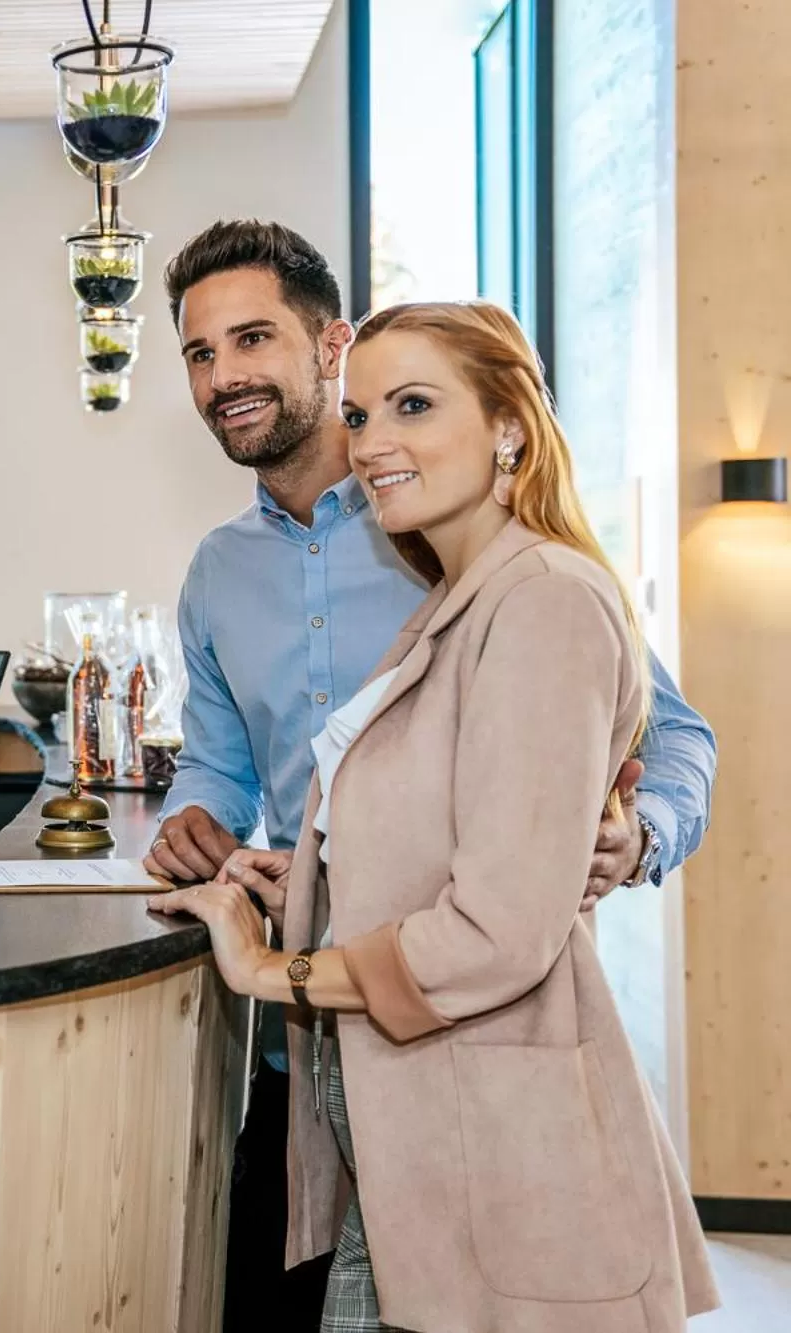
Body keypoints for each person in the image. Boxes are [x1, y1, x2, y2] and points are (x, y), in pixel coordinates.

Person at [140, 222, 717, 1329]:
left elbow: (668, 732)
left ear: (329, 344)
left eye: (251, 339)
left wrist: (638, 829)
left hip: (464, 1038)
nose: (223, 377)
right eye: (200, 354)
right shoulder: (227, 572)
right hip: (313, 1046)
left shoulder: (490, 563)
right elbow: (220, 765)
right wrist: (197, 824)